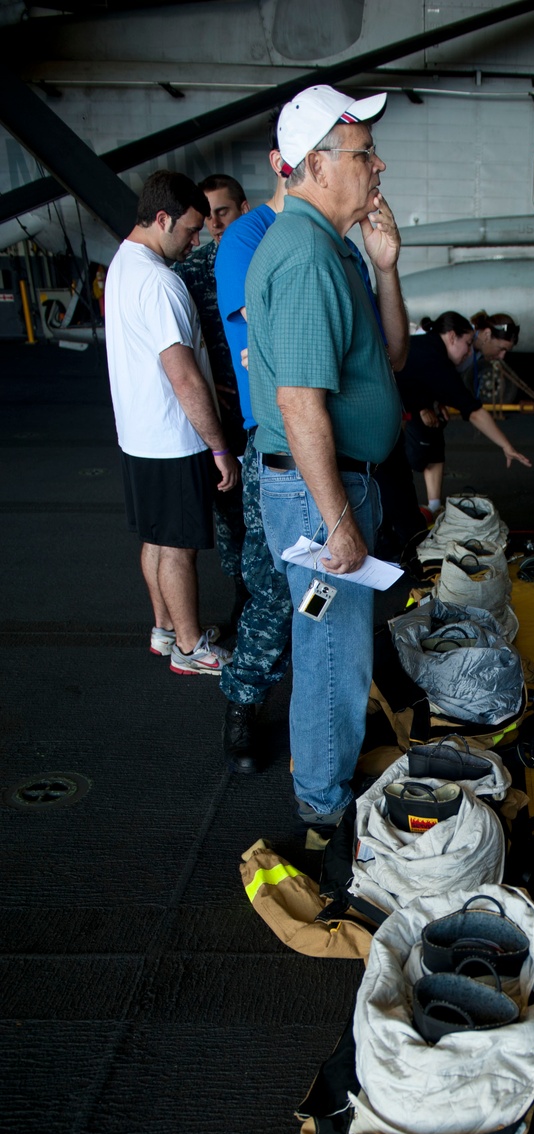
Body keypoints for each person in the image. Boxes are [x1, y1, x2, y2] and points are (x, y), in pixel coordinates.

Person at [245, 84, 408, 834]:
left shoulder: (335, 248)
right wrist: (338, 521)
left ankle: (327, 777)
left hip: (336, 484)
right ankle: (323, 812)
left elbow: (393, 357)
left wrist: (386, 267)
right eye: (363, 153)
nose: (378, 166)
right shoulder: (307, 255)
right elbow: (299, 405)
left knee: (338, 652)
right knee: (329, 658)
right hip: (322, 493)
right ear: (315, 164)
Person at [104, 169, 239, 675]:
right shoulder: (161, 282)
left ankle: (164, 631)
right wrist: (219, 447)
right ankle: (190, 648)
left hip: (138, 436)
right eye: (189, 230)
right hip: (174, 439)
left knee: (156, 539)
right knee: (179, 549)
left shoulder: (123, 263)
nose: (195, 240)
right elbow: (182, 377)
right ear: (162, 220)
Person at [212, 122, 294, 773]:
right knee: (271, 591)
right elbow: (260, 349)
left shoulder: (337, 243)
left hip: (338, 450)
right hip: (275, 445)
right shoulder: (248, 238)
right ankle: (243, 701)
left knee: (328, 593)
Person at [175, 173, 252, 614]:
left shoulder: (267, 260)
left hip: (269, 410)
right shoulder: (189, 273)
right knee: (231, 518)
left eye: (222, 211)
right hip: (221, 418)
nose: (215, 223)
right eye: (207, 216)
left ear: (244, 208)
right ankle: (245, 604)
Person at [396, 311, 530, 517]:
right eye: (468, 344)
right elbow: (473, 410)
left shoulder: (434, 347)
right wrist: (506, 446)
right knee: (397, 463)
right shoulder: (436, 357)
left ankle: (429, 507)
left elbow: (425, 379)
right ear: (452, 337)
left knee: (427, 440)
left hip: (403, 399)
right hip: (389, 402)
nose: (468, 352)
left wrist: (434, 401)